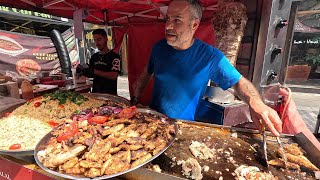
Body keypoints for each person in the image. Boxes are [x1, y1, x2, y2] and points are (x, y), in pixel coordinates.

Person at [132, 0, 283, 136]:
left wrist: (255, 102)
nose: (168, 26)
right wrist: (136, 96)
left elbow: (238, 82)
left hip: (181, 129)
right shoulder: (159, 48)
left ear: (194, 25)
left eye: (177, 20)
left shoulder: (209, 57)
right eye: (167, 19)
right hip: (152, 123)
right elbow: (147, 72)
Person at [86, 29, 121, 95]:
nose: (96, 43)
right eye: (95, 40)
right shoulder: (94, 57)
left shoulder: (114, 57)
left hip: (110, 95)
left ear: (106, 39)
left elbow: (113, 75)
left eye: (99, 39)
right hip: (96, 94)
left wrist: (94, 71)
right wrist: (84, 72)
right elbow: (91, 75)